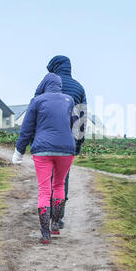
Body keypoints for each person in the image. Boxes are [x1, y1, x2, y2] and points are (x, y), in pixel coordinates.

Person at [12, 73, 76, 244]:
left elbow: (26, 129)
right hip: (66, 149)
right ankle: (55, 224)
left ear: (44, 85)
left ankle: (45, 234)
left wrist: (19, 152)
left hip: (42, 150)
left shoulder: (37, 101)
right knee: (59, 184)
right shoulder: (69, 100)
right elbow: (75, 123)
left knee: (45, 190)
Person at [35, 55, 87, 229]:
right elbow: (81, 119)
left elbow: (35, 110)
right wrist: (78, 144)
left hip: (46, 138)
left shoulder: (46, 85)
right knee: (61, 179)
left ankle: (47, 211)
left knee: (46, 177)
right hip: (68, 140)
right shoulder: (79, 88)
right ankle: (58, 218)